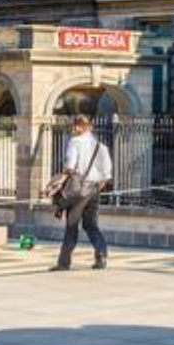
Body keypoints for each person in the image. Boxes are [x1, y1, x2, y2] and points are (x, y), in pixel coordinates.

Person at [49, 115, 113, 271]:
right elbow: (107, 173)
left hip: (78, 189)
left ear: (81, 127)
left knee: (72, 226)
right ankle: (101, 255)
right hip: (94, 189)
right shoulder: (100, 146)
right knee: (91, 224)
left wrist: (59, 182)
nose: (74, 128)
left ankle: (63, 263)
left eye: (76, 125)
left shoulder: (75, 142)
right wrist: (96, 185)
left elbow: (70, 166)